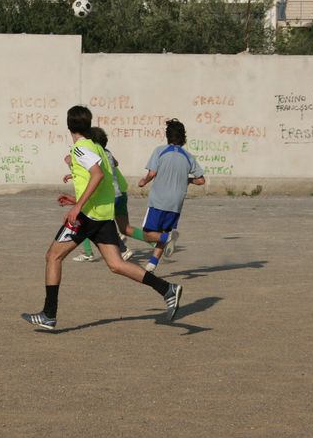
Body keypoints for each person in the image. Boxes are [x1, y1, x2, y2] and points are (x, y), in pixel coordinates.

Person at [22, 105, 183, 330]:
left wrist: (78, 207)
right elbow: (103, 180)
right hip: (103, 215)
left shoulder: (80, 148)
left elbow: (96, 175)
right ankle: (167, 289)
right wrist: (75, 200)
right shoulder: (97, 147)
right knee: (117, 264)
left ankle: (49, 314)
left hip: (88, 216)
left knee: (53, 256)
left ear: (68, 126)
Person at [125, 118, 205, 272]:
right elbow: (201, 180)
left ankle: (167, 239)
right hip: (176, 203)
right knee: (165, 231)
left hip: (159, 200)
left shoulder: (160, 151)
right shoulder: (189, 157)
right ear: (183, 137)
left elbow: (152, 173)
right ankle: (152, 263)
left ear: (167, 136)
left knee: (148, 234)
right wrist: (188, 180)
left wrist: (143, 181)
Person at [66, 127, 134, 263]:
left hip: (102, 198)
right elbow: (112, 165)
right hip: (117, 194)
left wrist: (71, 165)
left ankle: (114, 247)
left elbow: (96, 174)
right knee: (115, 226)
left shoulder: (91, 151)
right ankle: (156, 241)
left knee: (85, 220)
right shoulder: (106, 152)